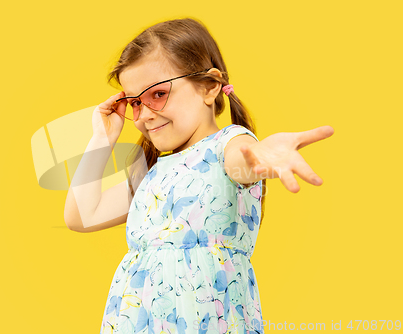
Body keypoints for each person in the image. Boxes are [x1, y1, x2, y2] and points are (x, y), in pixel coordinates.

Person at [64, 17, 334, 334]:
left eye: (157, 94)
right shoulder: (151, 172)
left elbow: (243, 162)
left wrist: (265, 154)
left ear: (209, 87)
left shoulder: (229, 146)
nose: (145, 113)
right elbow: (81, 215)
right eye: (134, 102)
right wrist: (102, 138)